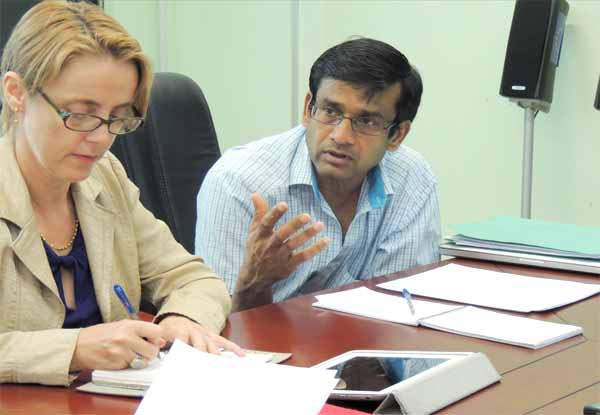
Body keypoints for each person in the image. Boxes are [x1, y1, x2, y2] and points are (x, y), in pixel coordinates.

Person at [0, 0, 240, 386]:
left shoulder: (104, 177)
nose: (101, 138)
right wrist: (73, 349)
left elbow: (193, 278)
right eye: (80, 114)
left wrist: (182, 318)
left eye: (117, 117)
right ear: (17, 93)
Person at [196, 38, 440, 311]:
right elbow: (218, 324)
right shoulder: (238, 182)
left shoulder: (411, 178)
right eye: (330, 111)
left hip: (366, 335)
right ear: (308, 109)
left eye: (366, 121)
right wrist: (255, 284)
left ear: (397, 135)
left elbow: (402, 306)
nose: (341, 136)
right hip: (263, 338)